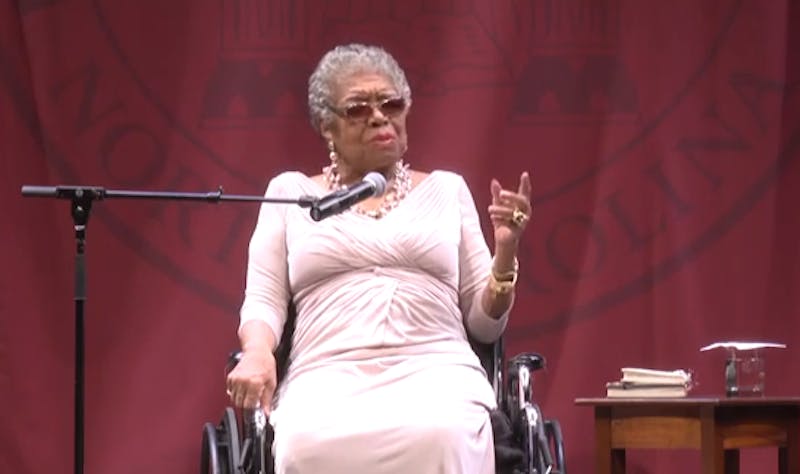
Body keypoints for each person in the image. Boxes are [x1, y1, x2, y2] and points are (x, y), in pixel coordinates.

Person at [225, 43, 532, 474]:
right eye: (358, 109)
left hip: (435, 370)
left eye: (391, 104)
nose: (379, 117)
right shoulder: (290, 194)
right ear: (327, 126)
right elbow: (263, 300)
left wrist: (506, 250)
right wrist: (257, 353)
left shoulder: (448, 190)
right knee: (303, 443)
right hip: (327, 372)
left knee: (442, 432)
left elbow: (485, 325)